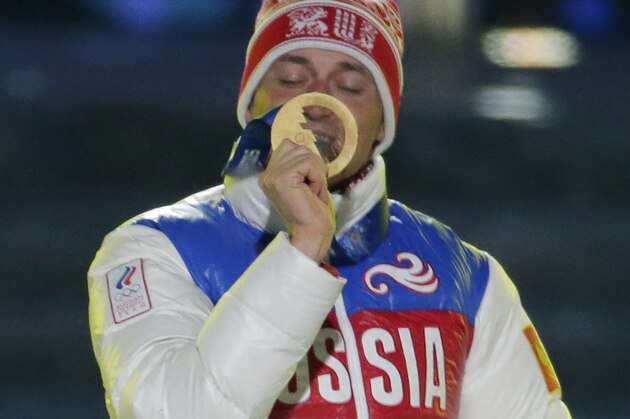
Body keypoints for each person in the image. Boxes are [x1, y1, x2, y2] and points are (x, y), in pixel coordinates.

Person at [88, 1, 572, 418]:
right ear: (250, 103)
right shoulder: (156, 250)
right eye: (292, 78)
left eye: (350, 85)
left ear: (382, 122)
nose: (317, 103)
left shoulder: (465, 274)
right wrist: (301, 252)